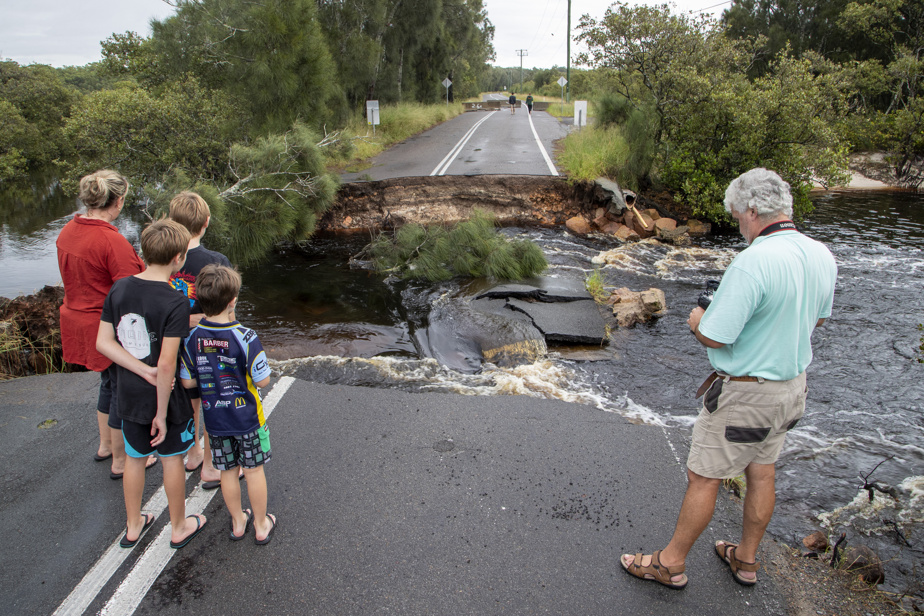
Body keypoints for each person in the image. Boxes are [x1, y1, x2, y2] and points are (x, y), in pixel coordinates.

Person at [620, 168, 837, 589]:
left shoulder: (753, 260)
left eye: (738, 215)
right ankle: (746, 560)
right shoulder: (820, 254)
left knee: (704, 476)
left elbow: (715, 334)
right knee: (762, 471)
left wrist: (699, 318)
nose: (738, 223)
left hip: (747, 394)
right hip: (792, 389)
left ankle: (670, 564)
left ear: (754, 210)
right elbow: (819, 318)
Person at [97, 219, 208, 549]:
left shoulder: (119, 288)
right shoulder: (174, 302)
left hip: (128, 394)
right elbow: (165, 364)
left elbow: (104, 342)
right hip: (164, 398)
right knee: (172, 458)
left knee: (135, 457)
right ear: (178, 257)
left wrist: (137, 369)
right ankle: (178, 526)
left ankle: (133, 525)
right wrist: (160, 412)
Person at [56, 170, 156, 479]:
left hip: (78, 320)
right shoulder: (110, 241)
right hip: (108, 328)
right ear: (118, 201)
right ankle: (121, 460)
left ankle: (105, 446)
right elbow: (131, 290)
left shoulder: (67, 231)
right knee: (121, 390)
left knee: (108, 384)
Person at [180, 265, 276, 545]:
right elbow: (264, 381)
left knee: (227, 471)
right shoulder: (246, 337)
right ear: (233, 300)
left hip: (216, 421)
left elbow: (187, 383)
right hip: (247, 418)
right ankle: (260, 524)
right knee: (255, 470)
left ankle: (237, 522)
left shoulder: (193, 339)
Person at [167, 191, 233, 485]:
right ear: (206, 222)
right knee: (211, 399)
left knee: (189, 398)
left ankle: (192, 453)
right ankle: (209, 464)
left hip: (176, 345)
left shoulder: (164, 259)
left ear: (171, 220)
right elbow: (228, 309)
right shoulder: (215, 260)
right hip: (207, 345)